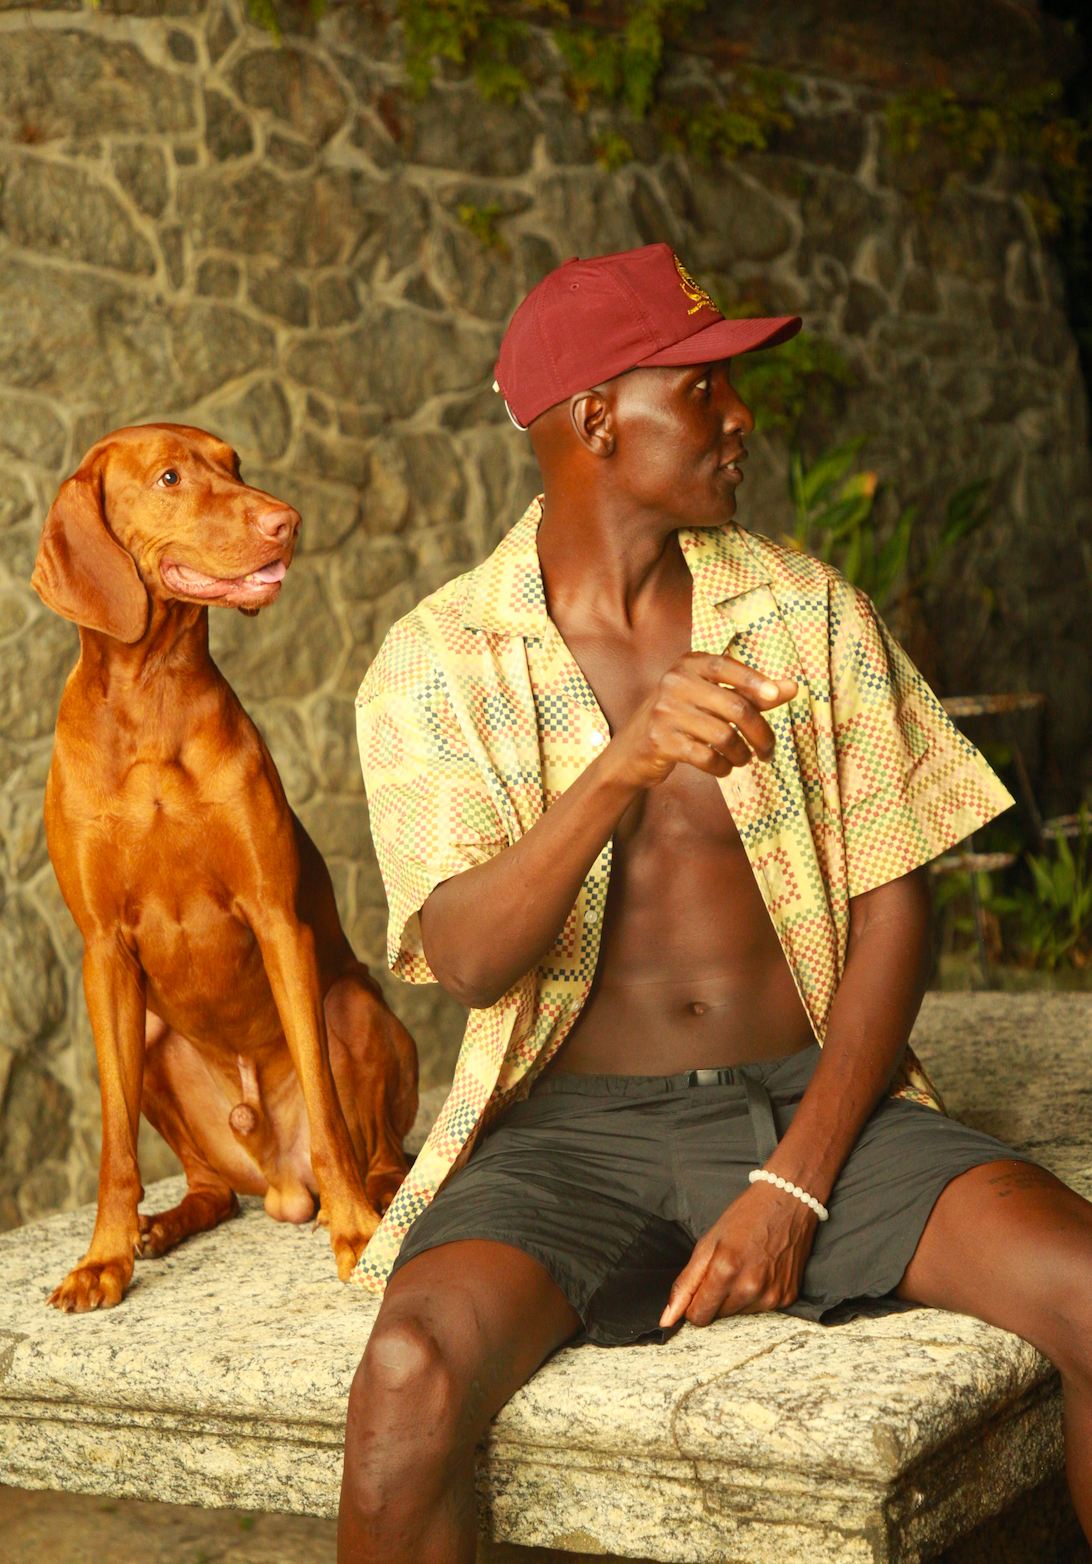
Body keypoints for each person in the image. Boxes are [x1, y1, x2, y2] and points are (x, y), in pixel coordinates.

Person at [337, 244, 1092, 1564]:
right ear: (594, 421)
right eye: (703, 388)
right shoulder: (435, 664)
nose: (741, 417)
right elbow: (465, 958)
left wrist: (794, 1184)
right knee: (407, 1376)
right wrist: (620, 766)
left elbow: (896, 906)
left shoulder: (804, 611)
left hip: (813, 1097)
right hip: (570, 1134)